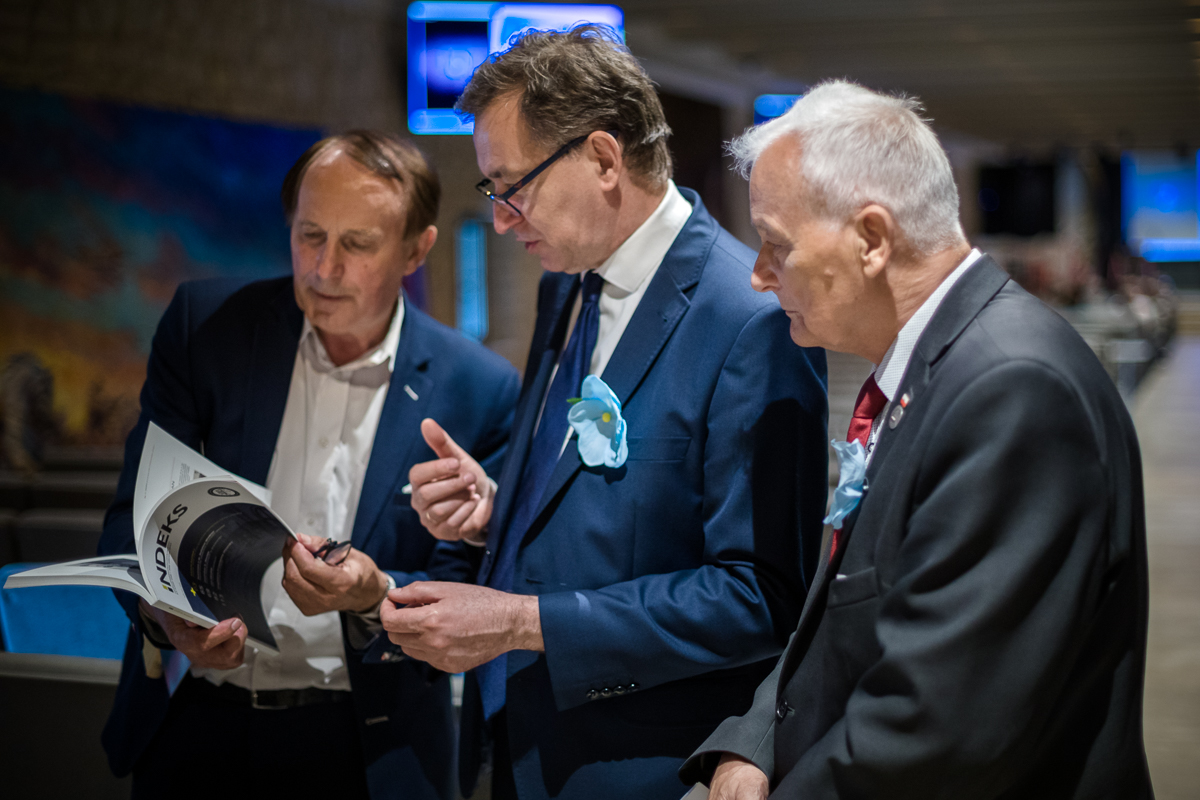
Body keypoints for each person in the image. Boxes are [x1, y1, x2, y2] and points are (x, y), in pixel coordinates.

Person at [380, 27, 829, 800]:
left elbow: (758, 597)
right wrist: (498, 513)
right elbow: (598, 506)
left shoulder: (749, 319)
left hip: (636, 766)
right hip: (515, 745)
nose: (502, 219)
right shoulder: (567, 284)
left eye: (512, 186)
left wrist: (522, 621)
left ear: (602, 158)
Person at [679, 80, 1154, 799]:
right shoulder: (928, 365)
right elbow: (844, 611)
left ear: (872, 240)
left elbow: (940, 727)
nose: (758, 276)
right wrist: (757, 742)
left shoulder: (1011, 388)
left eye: (777, 243)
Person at [96, 131, 521, 800]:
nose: (324, 268)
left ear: (416, 250)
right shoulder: (208, 328)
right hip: (197, 722)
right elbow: (131, 520)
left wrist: (374, 593)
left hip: (369, 741)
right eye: (310, 235)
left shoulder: (479, 387)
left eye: (357, 244)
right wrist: (164, 616)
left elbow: (466, 584)